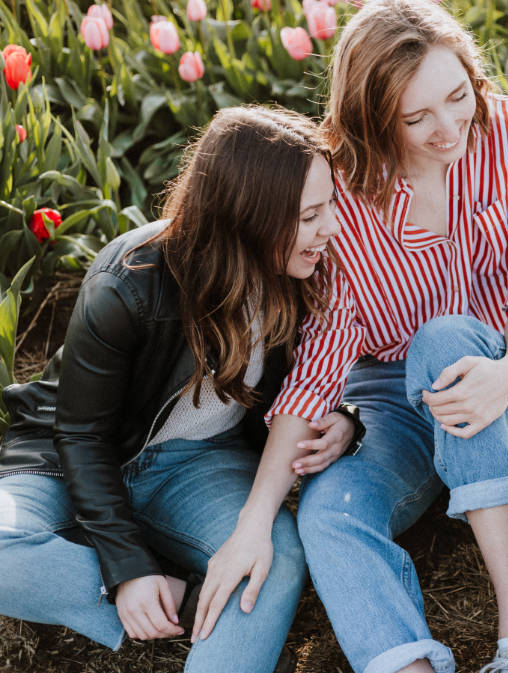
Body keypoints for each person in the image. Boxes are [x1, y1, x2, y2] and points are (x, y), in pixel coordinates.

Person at [259, 1, 508, 673]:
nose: (448, 128)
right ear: (372, 118)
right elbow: (324, 352)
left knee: (446, 341)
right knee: (330, 512)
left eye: (458, 96)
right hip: (394, 399)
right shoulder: (341, 185)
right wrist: (259, 517)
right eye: (416, 117)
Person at [0, 106, 358, 673]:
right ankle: (181, 596)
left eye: (329, 205)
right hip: (70, 459)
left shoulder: (307, 274)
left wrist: (346, 417)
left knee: (273, 560)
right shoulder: (128, 283)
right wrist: (127, 570)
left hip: (198, 464)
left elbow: (321, 374)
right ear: (247, 216)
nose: (331, 227)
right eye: (310, 215)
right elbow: (82, 436)